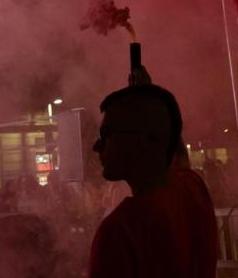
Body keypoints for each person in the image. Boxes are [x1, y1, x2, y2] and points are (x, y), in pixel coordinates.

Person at [88, 84, 217, 278]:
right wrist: (149, 96)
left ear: (140, 140)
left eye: (107, 134)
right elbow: (172, 145)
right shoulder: (193, 189)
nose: (97, 146)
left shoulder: (120, 231)